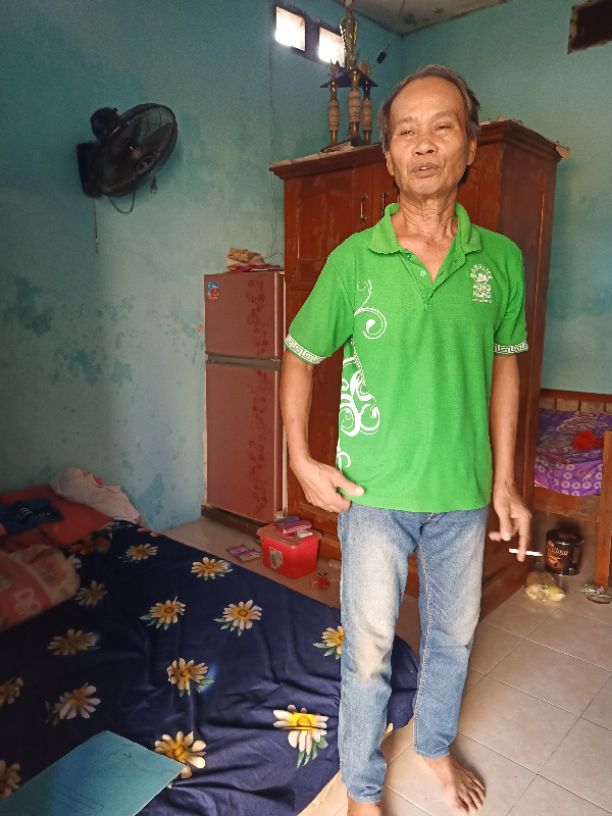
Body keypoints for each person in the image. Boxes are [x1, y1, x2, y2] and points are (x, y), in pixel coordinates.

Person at [280, 65, 532, 816]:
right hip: (374, 494)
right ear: (388, 156)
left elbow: (507, 368)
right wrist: (299, 457)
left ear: (470, 147)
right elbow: (298, 353)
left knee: (454, 638)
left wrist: (506, 482)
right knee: (366, 653)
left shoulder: (501, 261)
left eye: (442, 127)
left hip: (462, 493)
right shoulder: (354, 261)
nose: (424, 144)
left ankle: (433, 746)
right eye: (406, 132)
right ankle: (362, 790)